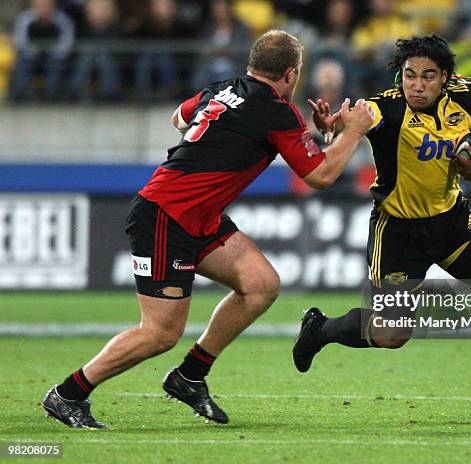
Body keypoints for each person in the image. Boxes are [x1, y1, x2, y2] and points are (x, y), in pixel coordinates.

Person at [42, 29, 375, 428]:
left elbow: (179, 118)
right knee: (160, 333)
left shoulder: (221, 89)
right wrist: (353, 131)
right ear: (291, 73)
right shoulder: (274, 110)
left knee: (260, 283)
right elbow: (320, 175)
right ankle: (68, 394)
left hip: (198, 216)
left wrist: (314, 136)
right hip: (167, 215)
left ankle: (190, 376)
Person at [294, 33, 471, 421]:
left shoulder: (466, 102)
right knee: (392, 335)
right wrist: (336, 127)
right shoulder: (385, 108)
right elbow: (355, 122)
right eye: (409, 75)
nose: (416, 85)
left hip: (452, 223)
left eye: (428, 76)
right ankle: (320, 330)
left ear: (445, 77)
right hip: (397, 232)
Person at [10, 0, 75, 101]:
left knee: (56, 63)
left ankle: (52, 95)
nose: (44, 8)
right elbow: (20, 42)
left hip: (54, 56)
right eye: (41, 5)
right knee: (22, 61)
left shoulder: (63, 20)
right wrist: (34, 51)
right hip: (30, 55)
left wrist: (51, 52)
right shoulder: (24, 19)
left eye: (47, 4)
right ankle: (21, 95)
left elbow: (66, 43)